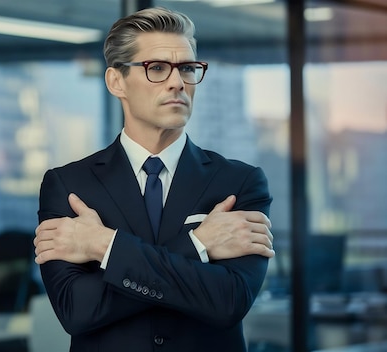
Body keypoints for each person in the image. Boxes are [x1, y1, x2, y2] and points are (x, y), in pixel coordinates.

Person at [34, 7, 275, 351]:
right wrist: (198, 246)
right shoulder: (69, 185)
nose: (178, 82)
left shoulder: (239, 183)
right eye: (157, 68)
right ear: (116, 81)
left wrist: (104, 246)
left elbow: (227, 302)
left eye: (188, 69)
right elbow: (78, 310)